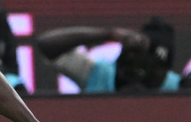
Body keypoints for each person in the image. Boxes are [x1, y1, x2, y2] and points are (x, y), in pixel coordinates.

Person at [35, 17, 181, 93]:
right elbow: (46, 45)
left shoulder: (177, 87)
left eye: (154, 68)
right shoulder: (101, 74)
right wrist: (108, 34)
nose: (139, 74)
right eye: (134, 61)